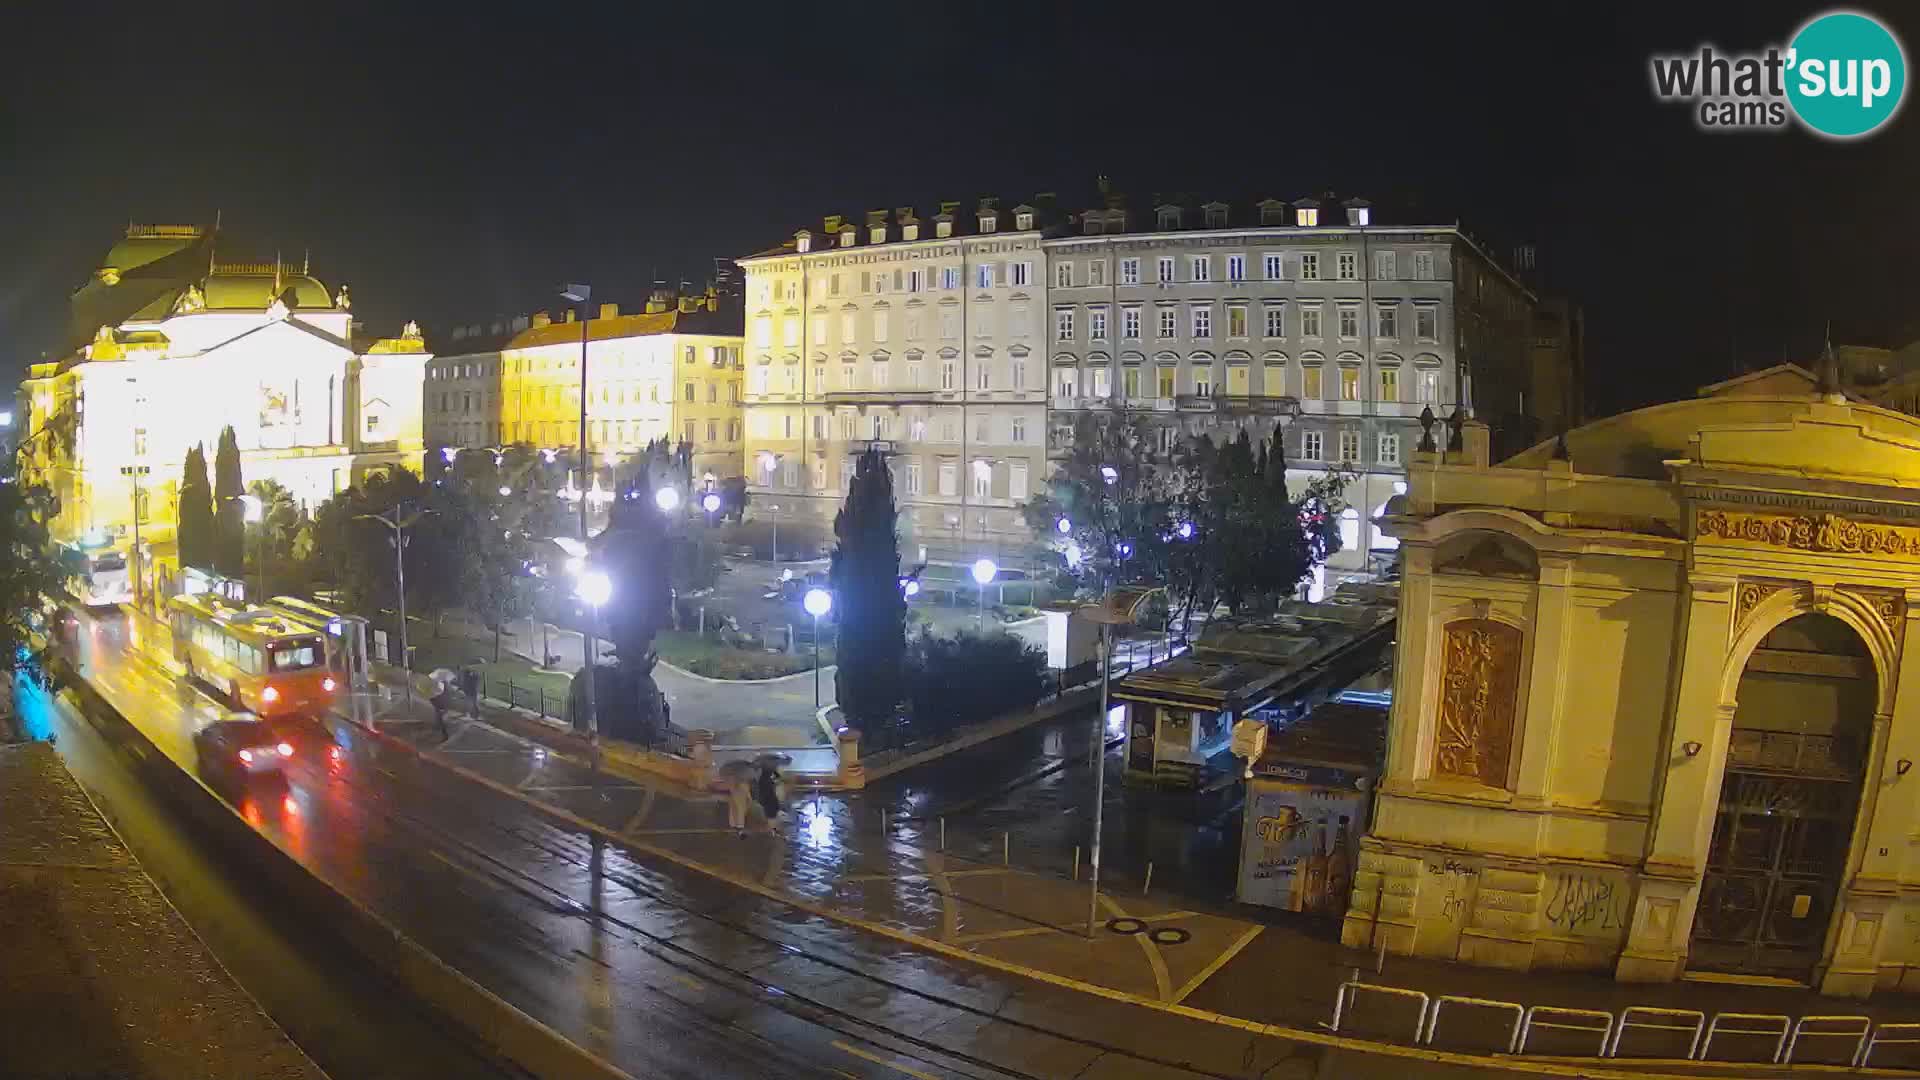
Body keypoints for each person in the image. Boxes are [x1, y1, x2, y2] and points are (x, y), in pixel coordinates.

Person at [753, 763, 785, 830]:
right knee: (771, 815)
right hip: (767, 794)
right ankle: (773, 829)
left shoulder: (774, 808)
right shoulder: (767, 776)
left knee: (771, 814)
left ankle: (773, 829)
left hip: (767, 793)